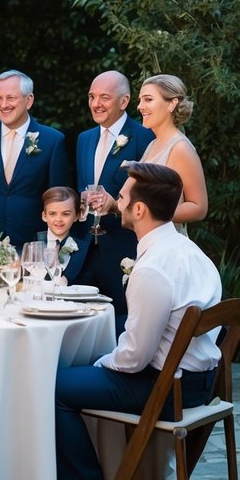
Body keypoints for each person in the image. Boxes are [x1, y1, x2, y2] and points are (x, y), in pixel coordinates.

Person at [55, 162, 222, 480]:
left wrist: (98, 360)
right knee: (80, 375)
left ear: (140, 210)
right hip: (200, 380)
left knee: (54, 388)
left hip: (165, 386)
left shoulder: (153, 268)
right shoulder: (188, 250)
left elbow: (133, 359)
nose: (119, 202)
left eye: (124, 197)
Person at [74, 70, 154, 332]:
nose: (96, 103)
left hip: (124, 247)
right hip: (86, 249)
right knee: (83, 321)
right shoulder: (84, 139)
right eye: (92, 96)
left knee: (124, 324)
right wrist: (81, 199)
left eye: (105, 97)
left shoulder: (145, 138)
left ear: (124, 101)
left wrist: (116, 206)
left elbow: (151, 198)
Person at [0, 70, 69, 247]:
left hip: (33, 246)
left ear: (29, 100)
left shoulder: (53, 140)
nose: (3, 104)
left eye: (10, 98)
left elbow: (59, 198)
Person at [137, 74, 208, 229]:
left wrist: (152, 214)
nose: (140, 106)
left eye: (148, 99)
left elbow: (199, 207)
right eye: (140, 100)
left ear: (171, 104)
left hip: (168, 244)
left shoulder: (180, 147)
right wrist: (114, 204)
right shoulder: (153, 144)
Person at [39, 186, 89, 285]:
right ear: (44, 216)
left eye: (66, 214)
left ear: (77, 216)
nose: (58, 219)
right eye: (52, 214)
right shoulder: (33, 244)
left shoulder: (86, 249)